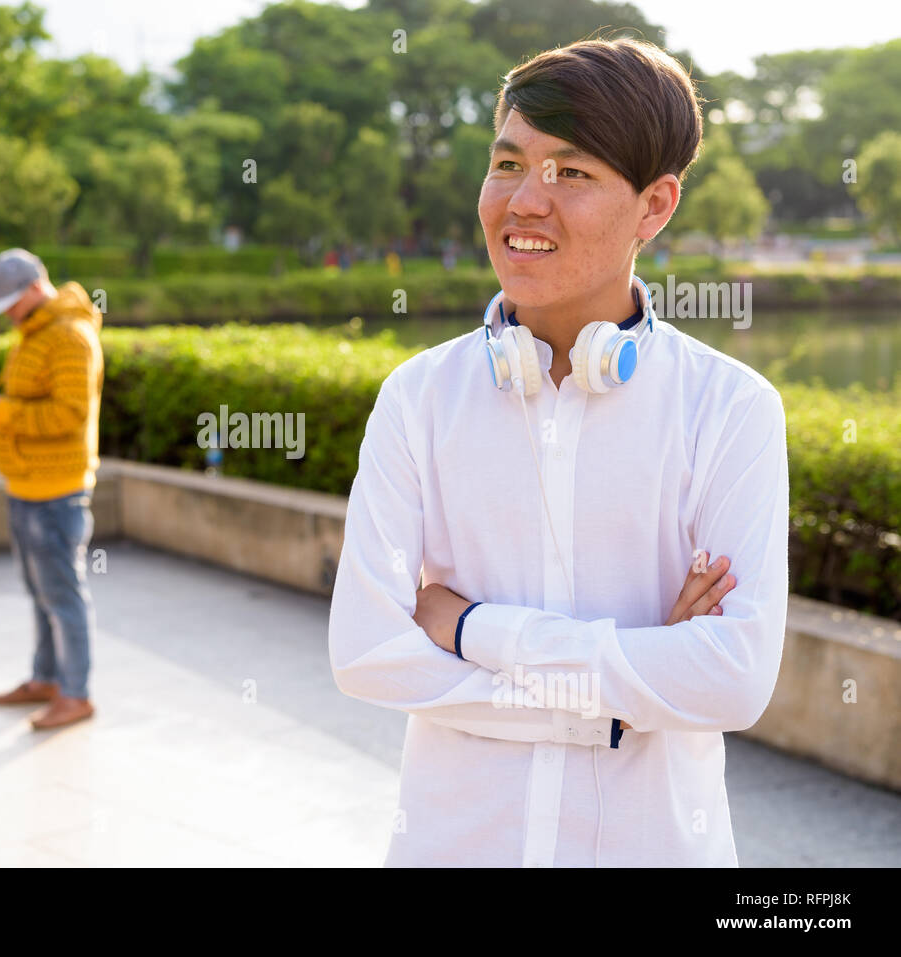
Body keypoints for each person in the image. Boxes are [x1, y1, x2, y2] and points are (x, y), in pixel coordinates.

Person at [328, 38, 789, 867]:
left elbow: (732, 679)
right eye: (508, 164)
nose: (523, 202)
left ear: (655, 206)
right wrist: (626, 694)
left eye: (571, 174)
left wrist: (469, 627)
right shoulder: (418, 397)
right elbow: (366, 653)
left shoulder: (732, 409)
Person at [0, 249, 105, 731]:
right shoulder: (37, 331)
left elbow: (70, 414)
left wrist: (2, 414)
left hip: (56, 490)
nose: (7, 313)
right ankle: (47, 679)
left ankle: (75, 693)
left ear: (34, 289)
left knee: (62, 594)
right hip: (28, 484)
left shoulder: (69, 335)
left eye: (11, 302)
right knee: (41, 591)